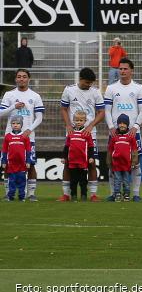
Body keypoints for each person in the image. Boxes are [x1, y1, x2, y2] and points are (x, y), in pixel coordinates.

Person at [58, 67, 105, 202]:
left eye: (91, 83)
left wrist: (91, 125)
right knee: (68, 163)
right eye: (87, 82)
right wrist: (68, 125)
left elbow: (101, 112)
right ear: (80, 79)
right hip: (72, 134)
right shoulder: (69, 90)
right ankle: (66, 194)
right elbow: (63, 109)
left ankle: (93, 194)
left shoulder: (95, 92)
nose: (89, 85)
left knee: (91, 163)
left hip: (89, 134)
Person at [0, 69, 44, 201]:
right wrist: (13, 106)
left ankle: (31, 193)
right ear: (16, 79)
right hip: (10, 137)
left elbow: (39, 117)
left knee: (31, 164)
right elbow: (1, 113)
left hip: (27, 137)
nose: (21, 79)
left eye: (24, 77)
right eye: (19, 76)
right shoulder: (9, 94)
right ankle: (8, 193)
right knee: (8, 164)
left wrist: (29, 129)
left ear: (28, 79)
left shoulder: (35, 96)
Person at [64, 111, 95, 201]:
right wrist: (64, 157)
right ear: (73, 120)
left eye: (81, 120)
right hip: (72, 161)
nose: (78, 122)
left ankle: (84, 195)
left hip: (83, 162)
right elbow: (66, 146)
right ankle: (73, 195)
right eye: (77, 120)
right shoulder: (70, 133)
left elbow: (91, 146)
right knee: (73, 180)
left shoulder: (87, 133)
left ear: (85, 121)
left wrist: (91, 157)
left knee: (83, 180)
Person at [2, 115, 32, 201]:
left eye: (18, 123)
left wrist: (28, 161)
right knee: (11, 181)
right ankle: (10, 196)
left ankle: (22, 197)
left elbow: (28, 150)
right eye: (13, 123)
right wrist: (4, 161)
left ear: (21, 125)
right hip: (11, 164)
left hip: (22, 164)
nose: (15, 125)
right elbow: (4, 150)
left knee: (22, 181)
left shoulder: (25, 136)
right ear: (11, 124)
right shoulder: (8, 136)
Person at [109, 114, 138, 201]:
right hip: (116, 164)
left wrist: (134, 162)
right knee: (117, 180)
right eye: (120, 123)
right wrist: (109, 163)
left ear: (127, 125)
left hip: (127, 164)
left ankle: (126, 194)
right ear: (117, 124)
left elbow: (134, 151)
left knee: (126, 180)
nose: (122, 125)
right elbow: (110, 150)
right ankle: (117, 194)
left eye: (124, 123)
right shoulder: (114, 137)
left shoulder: (131, 137)